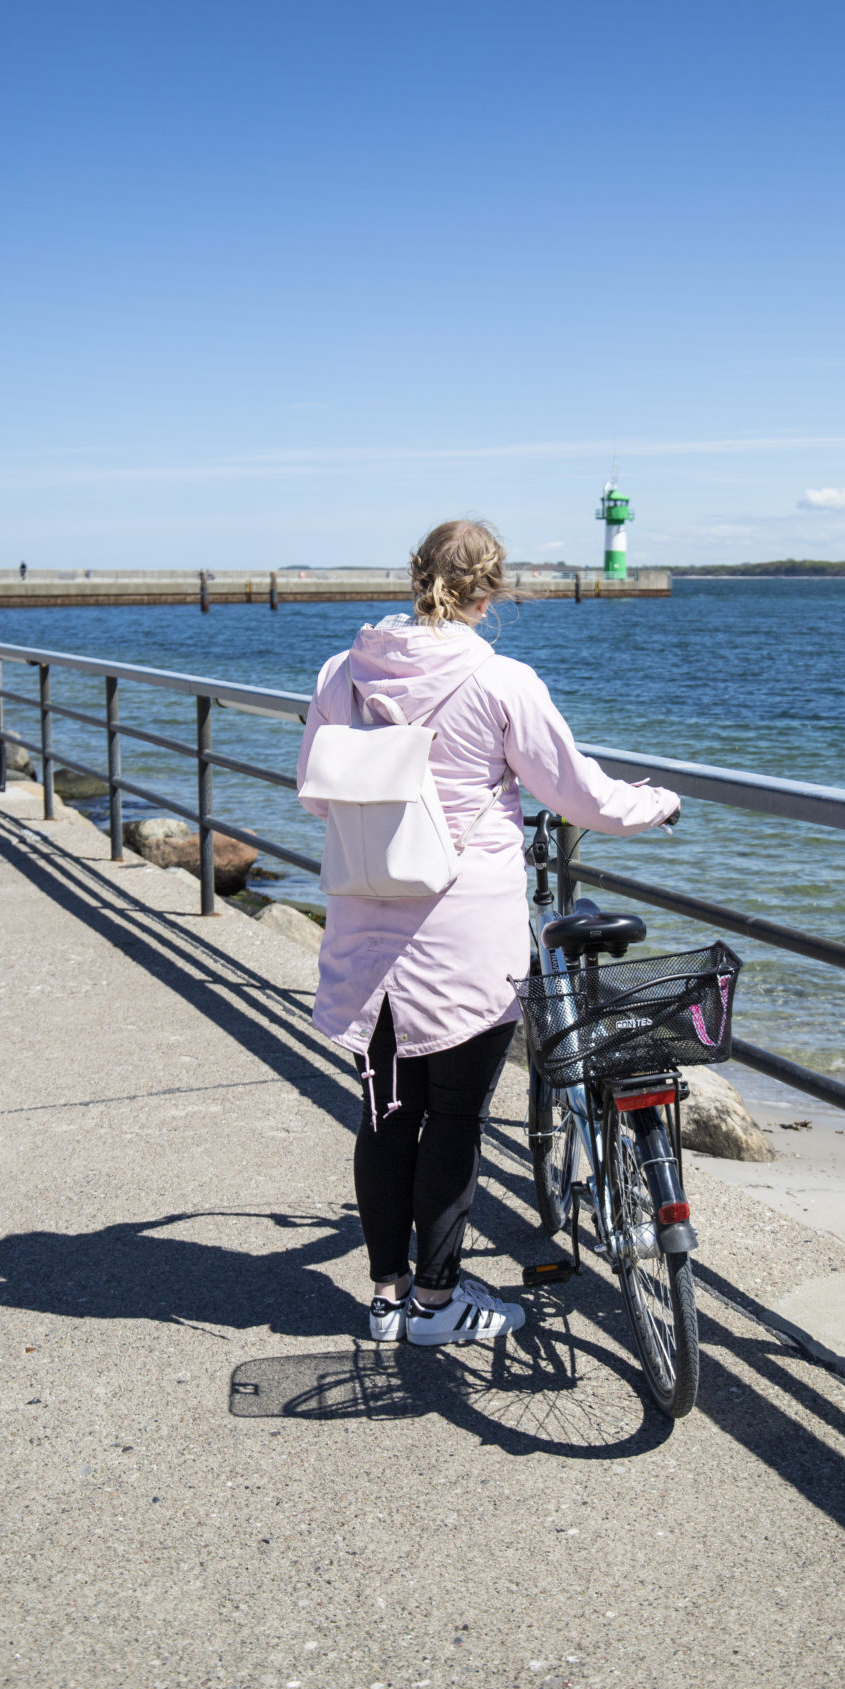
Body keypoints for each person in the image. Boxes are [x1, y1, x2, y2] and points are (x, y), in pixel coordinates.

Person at [295, 520, 679, 1347]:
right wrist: (659, 802)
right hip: (463, 938)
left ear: (415, 576)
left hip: (365, 936)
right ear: (488, 592)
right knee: (455, 1120)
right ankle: (438, 1304)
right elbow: (583, 798)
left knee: (386, 1115)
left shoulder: (340, 674)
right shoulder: (503, 682)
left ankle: (388, 1298)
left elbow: (317, 794)